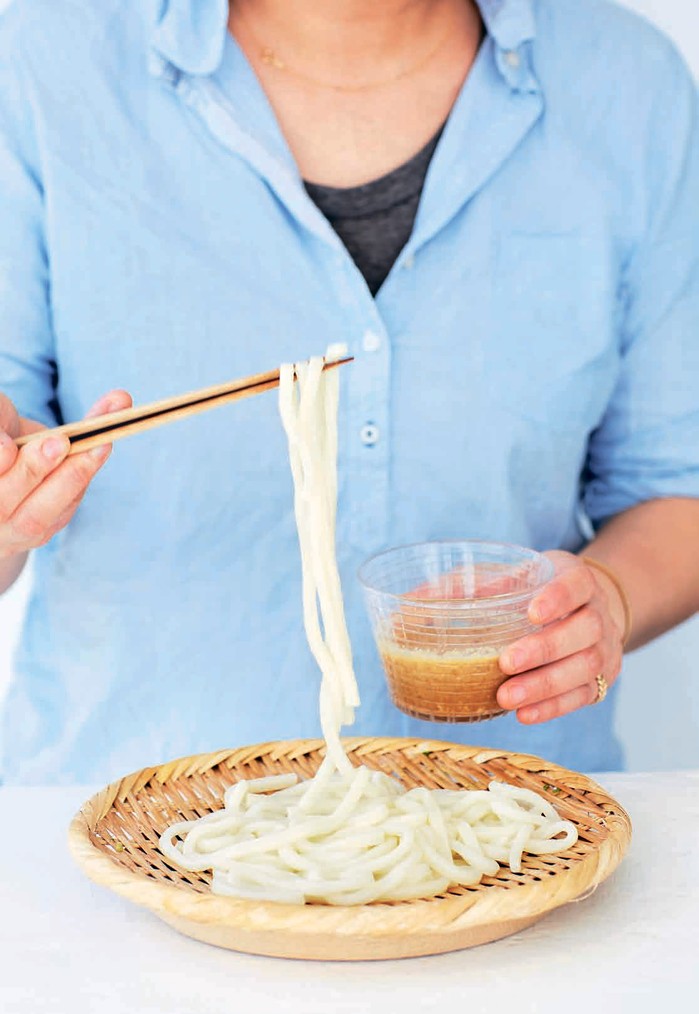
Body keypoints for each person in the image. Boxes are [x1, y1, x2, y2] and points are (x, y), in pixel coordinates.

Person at [0, 0, 697, 785]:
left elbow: (675, 488)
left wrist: (607, 598)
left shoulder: (630, 86)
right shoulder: (38, 67)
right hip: (132, 826)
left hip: (510, 829)